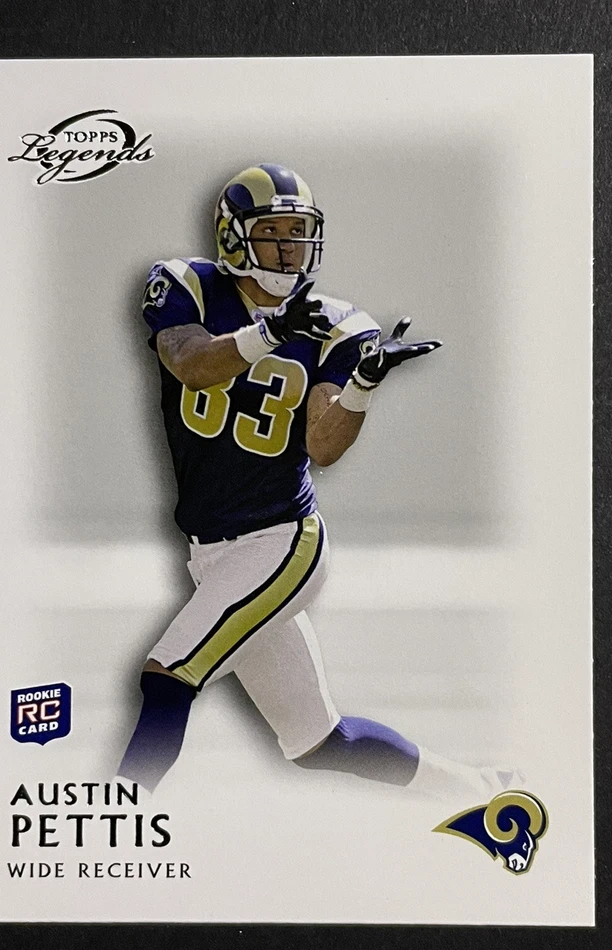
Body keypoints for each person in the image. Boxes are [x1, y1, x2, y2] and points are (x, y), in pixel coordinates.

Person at [117, 163, 518, 802]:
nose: (288, 249)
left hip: (280, 543)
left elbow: (322, 445)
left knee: (168, 676)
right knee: (319, 742)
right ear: (232, 236)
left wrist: (361, 386)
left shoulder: (337, 324)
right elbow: (190, 364)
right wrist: (266, 335)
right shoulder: (188, 285)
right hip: (213, 551)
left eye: (297, 233)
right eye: (271, 232)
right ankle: (482, 789)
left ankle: (115, 821)